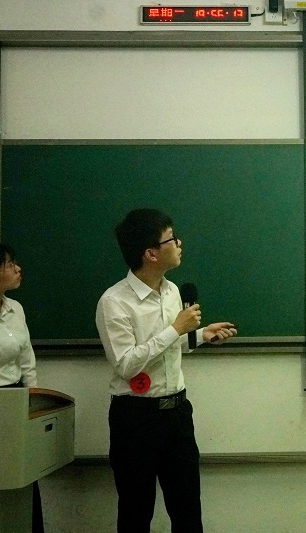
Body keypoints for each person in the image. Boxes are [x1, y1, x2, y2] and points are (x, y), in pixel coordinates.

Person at [95, 208, 237, 533]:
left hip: (177, 414)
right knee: (136, 513)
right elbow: (126, 364)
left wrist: (200, 336)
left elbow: (169, 346)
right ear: (151, 253)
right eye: (172, 239)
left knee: (188, 512)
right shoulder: (114, 302)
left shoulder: (172, 291)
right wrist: (176, 329)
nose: (179, 243)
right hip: (135, 418)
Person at [0, 239, 44, 532]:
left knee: (25, 482)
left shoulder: (15, 308)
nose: (18, 269)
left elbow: (27, 360)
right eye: (9, 265)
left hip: (19, 401)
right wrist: (2, 416)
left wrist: (32, 402)